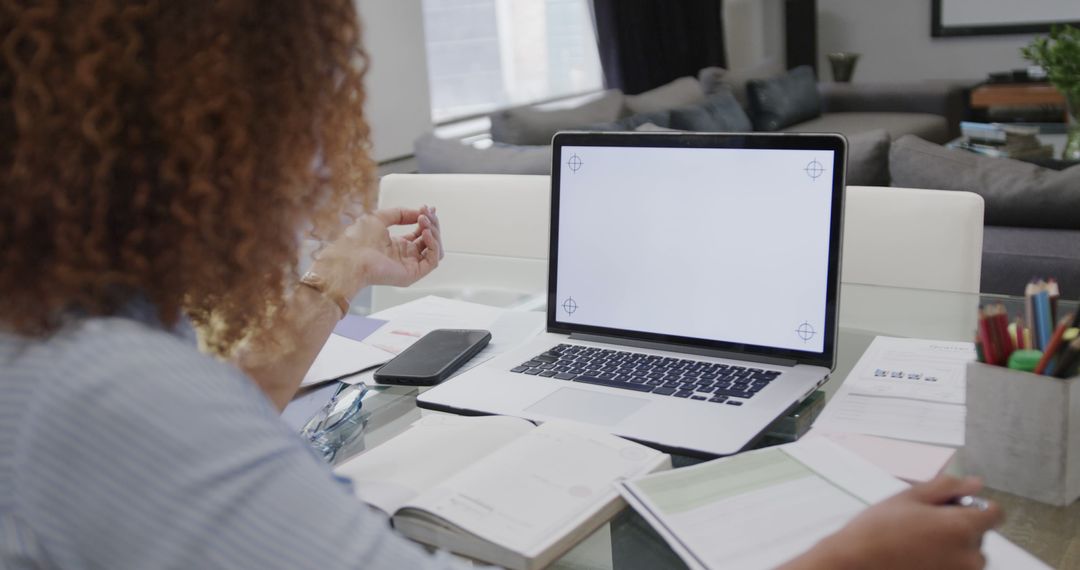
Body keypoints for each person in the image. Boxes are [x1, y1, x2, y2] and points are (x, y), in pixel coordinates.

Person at [0, 1, 1001, 568]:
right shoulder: (98, 379)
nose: (313, 160)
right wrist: (843, 561)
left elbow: (228, 400)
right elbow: (175, 419)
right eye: (298, 119)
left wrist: (343, 269)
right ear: (196, 134)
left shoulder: (71, 322)